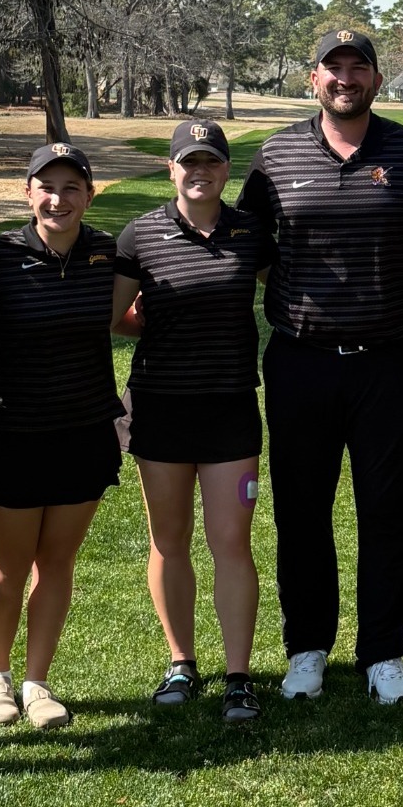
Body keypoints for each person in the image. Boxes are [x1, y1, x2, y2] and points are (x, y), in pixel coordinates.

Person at [237, 29, 403, 704]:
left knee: (390, 509)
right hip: (301, 361)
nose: (346, 78)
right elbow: (248, 243)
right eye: (334, 68)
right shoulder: (276, 154)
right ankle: (307, 648)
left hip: (391, 361)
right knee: (302, 510)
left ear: (377, 81)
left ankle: (383, 652)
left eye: (359, 67)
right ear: (314, 79)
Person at [111, 120, 273, 720]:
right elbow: (114, 317)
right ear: (171, 169)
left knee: (231, 542)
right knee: (169, 539)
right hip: (161, 409)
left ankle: (238, 675)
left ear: (226, 169)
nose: (199, 171)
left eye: (211, 161)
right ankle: (180, 661)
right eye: (188, 161)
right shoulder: (141, 234)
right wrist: (156, 327)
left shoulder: (250, 232)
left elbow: (289, 288)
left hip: (230, 409)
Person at [0, 142, 123, 729]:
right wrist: (4, 356)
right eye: (47, 187)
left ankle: (37, 683)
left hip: (85, 430)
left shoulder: (107, 253)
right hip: (13, 431)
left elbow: (132, 317)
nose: (59, 199)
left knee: (57, 561)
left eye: (72, 188)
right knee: (8, 565)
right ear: (27, 192)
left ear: (89, 195)